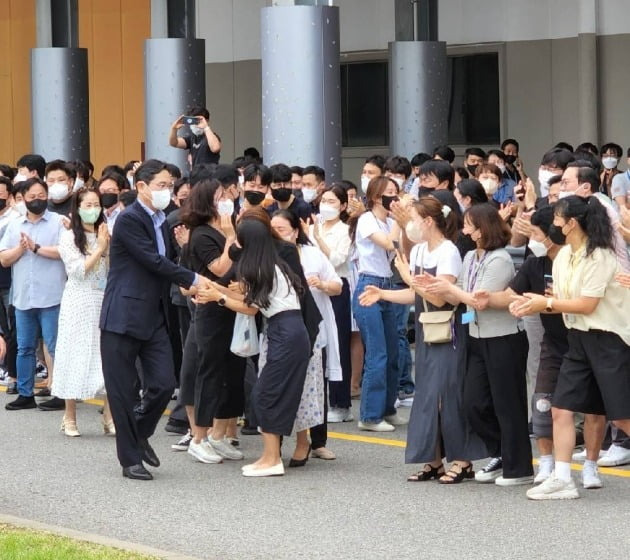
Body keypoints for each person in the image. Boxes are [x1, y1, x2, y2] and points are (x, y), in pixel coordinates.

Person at [510, 196, 630, 500]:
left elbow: (587, 305)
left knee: (621, 416)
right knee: (560, 407)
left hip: (608, 340)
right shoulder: (564, 256)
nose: (554, 224)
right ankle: (562, 479)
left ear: (571, 223)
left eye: (558, 219)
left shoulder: (601, 256)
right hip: (577, 337)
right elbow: (560, 299)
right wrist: (530, 304)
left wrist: (545, 302)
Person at [360, 196, 486, 483]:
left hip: (449, 329)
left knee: (449, 396)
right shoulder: (418, 252)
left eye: (414, 220)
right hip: (428, 328)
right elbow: (416, 295)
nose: (411, 226)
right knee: (427, 397)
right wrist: (383, 294)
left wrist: (408, 277)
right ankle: (433, 461)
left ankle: (463, 460)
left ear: (428, 222)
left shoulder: (448, 251)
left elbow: (441, 297)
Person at [99, 159, 208, 481]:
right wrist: (193, 278)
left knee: (162, 385)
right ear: (141, 186)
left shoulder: (162, 220)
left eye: (170, 186)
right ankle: (130, 459)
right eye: (161, 185)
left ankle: (139, 433)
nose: (167, 191)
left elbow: (167, 262)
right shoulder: (130, 219)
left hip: (154, 315)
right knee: (122, 391)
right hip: (123, 314)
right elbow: (152, 261)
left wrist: (187, 273)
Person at [421, 203, 533, 486]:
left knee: (508, 404)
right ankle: (500, 453)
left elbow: (478, 298)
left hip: (504, 338)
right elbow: (462, 294)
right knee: (474, 402)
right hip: (476, 336)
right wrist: (437, 286)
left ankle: (518, 468)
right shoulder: (471, 256)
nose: (466, 229)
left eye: (470, 224)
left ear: (483, 229)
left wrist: (449, 289)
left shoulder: (500, 260)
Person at [195, 219, 311, 477]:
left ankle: (272, 459)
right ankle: (270, 457)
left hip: (285, 331)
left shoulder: (257, 267)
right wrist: (215, 288)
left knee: (265, 395)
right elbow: (251, 299)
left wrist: (219, 297)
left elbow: (250, 307)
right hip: (289, 330)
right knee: (265, 394)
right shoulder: (269, 263)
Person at [472, 206, 568, 484]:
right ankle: (548, 466)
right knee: (543, 406)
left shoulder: (575, 261)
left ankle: (589, 465)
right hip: (553, 343)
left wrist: (545, 303)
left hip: (584, 340)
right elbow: (510, 295)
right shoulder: (534, 264)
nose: (533, 241)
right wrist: (487, 297)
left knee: (598, 411)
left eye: (536, 234)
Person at [179, 178, 245, 464]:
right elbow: (219, 267)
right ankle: (199, 437)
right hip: (211, 310)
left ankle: (219, 436)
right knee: (210, 373)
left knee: (233, 374)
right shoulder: (202, 234)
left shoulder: (227, 227)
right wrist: (231, 238)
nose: (226, 200)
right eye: (220, 196)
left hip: (234, 307)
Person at [272, 209, 341, 463]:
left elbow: (337, 285)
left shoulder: (311, 254)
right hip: (279, 327)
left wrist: (321, 284)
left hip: (312, 325)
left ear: (295, 230)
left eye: (280, 229)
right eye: (272, 229)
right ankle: (274, 443)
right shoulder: (268, 255)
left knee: (313, 385)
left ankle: (316, 441)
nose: (276, 234)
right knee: (278, 385)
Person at [51, 188, 114, 437]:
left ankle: (109, 416)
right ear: (77, 208)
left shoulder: (107, 234)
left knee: (107, 357)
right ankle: (69, 416)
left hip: (102, 299)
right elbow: (78, 271)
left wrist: (106, 246)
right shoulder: (68, 237)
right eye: (87, 204)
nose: (93, 208)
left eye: (96, 204)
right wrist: (99, 248)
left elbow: (111, 270)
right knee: (73, 354)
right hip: (78, 301)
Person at [0, 178, 66, 411]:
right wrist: (21, 248)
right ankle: (26, 393)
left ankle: (61, 393)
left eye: (41, 196)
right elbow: (4, 259)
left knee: (55, 346)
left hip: (52, 295)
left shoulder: (59, 222)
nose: (37, 201)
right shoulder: (15, 225)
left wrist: (37, 248)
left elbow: (65, 252)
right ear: (23, 199)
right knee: (25, 347)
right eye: (32, 197)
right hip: (23, 298)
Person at [350, 176, 404, 432]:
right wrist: (399, 223)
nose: (394, 197)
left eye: (396, 192)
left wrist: (402, 221)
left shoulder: (393, 221)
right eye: (389, 193)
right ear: (375, 197)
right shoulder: (366, 220)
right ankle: (370, 416)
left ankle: (387, 408)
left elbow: (403, 249)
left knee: (394, 352)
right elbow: (389, 243)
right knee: (377, 353)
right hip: (368, 284)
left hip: (388, 285)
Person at [310, 186, 353, 424]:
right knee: (317, 343)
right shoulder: (310, 227)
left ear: (343, 206)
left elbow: (337, 260)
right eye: (323, 200)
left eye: (332, 201)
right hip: (313, 287)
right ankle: (319, 399)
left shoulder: (346, 230)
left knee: (338, 343)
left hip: (336, 286)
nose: (325, 205)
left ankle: (341, 402)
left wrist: (318, 239)